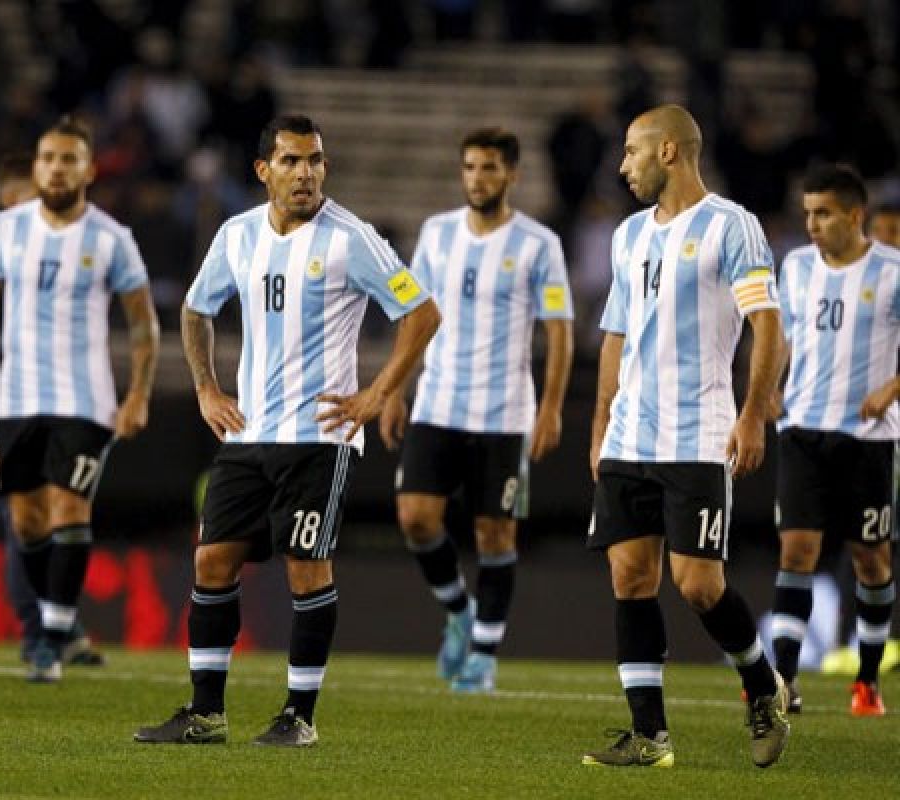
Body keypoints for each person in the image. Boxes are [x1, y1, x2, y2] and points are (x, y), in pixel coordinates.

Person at [135, 114, 440, 747]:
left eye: (316, 160)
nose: (306, 173)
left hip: (319, 437)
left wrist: (376, 395)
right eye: (292, 161)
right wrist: (206, 389)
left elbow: (422, 314)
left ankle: (299, 716)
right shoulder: (237, 236)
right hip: (248, 436)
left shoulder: (351, 239)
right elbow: (195, 310)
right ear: (263, 170)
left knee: (306, 566)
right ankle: (206, 713)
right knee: (212, 560)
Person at [584, 104, 790, 768]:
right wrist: (599, 424)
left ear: (667, 152)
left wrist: (753, 414)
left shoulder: (732, 226)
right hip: (628, 438)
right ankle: (650, 734)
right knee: (630, 576)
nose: (622, 166)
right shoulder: (627, 236)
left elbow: (767, 327)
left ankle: (762, 685)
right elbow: (615, 335)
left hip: (698, 433)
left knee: (699, 584)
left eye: (630, 152)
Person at [0, 115, 161, 683]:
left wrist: (138, 395)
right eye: (48, 158)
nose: (55, 168)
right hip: (16, 398)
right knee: (26, 522)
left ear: (89, 170)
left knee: (69, 509)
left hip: (85, 399)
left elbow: (144, 325)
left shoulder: (111, 238)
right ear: (37, 165)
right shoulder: (6, 229)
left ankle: (51, 636)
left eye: (68, 159)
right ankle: (54, 625)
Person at [380, 128, 574, 692]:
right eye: (469, 167)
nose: (477, 178)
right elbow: (412, 313)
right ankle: (460, 611)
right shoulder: (437, 234)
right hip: (438, 402)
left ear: (511, 174)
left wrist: (552, 408)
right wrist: (394, 388)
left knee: (495, 536)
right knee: (415, 517)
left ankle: (484, 656)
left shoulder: (539, 244)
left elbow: (559, 333)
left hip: (504, 413)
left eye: (489, 168)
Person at [0, 152, 103, 666]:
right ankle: (48, 631)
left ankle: (53, 628)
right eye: (17, 200)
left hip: (27, 416)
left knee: (24, 525)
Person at [769, 164, 898, 717]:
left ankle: (867, 681)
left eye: (822, 213)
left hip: (867, 440)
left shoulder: (892, 270)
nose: (812, 224)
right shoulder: (796, 267)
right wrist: (768, 389)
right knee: (796, 551)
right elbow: (785, 338)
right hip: (802, 431)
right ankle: (785, 682)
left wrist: (892, 387)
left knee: (870, 559)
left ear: (853, 214)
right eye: (807, 214)